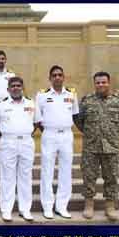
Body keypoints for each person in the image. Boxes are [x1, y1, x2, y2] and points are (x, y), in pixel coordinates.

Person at [74, 72, 119, 221]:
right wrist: (90, 133)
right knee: (89, 177)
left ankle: (110, 206)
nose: (101, 85)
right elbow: (79, 121)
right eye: (98, 82)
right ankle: (89, 205)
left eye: (103, 82)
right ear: (94, 84)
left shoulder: (118, 102)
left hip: (111, 147)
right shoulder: (87, 101)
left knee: (111, 177)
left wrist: (113, 134)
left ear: (109, 82)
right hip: (91, 147)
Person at [0, 77, 39, 222]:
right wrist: (5, 136)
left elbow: (36, 122)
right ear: (8, 89)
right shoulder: (1, 105)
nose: (16, 88)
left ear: (22, 87)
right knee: (7, 177)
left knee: (25, 177)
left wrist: (25, 133)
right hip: (8, 143)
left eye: (18, 85)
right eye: (13, 86)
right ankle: (6, 210)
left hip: (26, 142)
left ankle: (25, 209)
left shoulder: (31, 103)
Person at [35, 65, 79, 219]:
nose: (57, 77)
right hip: (49, 135)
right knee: (47, 171)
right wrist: (49, 131)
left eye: (60, 75)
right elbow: (38, 119)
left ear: (64, 77)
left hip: (67, 135)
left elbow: (75, 115)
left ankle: (62, 206)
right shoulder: (41, 95)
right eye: (54, 75)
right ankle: (47, 206)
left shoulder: (72, 94)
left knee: (66, 171)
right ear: (50, 78)